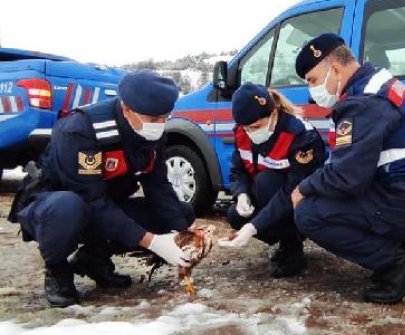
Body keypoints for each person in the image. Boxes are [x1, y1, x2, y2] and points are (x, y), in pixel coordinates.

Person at [291, 33, 405, 304]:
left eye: (313, 81)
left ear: (334, 69)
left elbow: (346, 177)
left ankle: (398, 263)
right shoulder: (374, 82)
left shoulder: (364, 103)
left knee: (309, 213)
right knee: (332, 196)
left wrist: (303, 188)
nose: (312, 91)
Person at [8, 70, 195, 307]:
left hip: (104, 205)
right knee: (68, 207)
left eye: (164, 118)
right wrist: (153, 242)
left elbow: (159, 187)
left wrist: (186, 235)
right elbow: (91, 200)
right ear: (126, 109)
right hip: (56, 208)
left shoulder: (148, 133)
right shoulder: (83, 130)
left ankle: (93, 258)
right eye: (153, 119)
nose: (160, 125)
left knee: (181, 212)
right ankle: (57, 270)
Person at [218, 83, 326, 278]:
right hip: (270, 198)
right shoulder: (242, 132)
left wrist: (253, 228)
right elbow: (238, 170)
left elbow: (293, 190)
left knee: (266, 181)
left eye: (256, 127)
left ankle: (293, 246)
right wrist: (241, 194)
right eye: (246, 128)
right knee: (235, 216)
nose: (251, 132)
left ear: (274, 114)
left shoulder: (300, 135)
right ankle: (284, 239)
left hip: (302, 202)